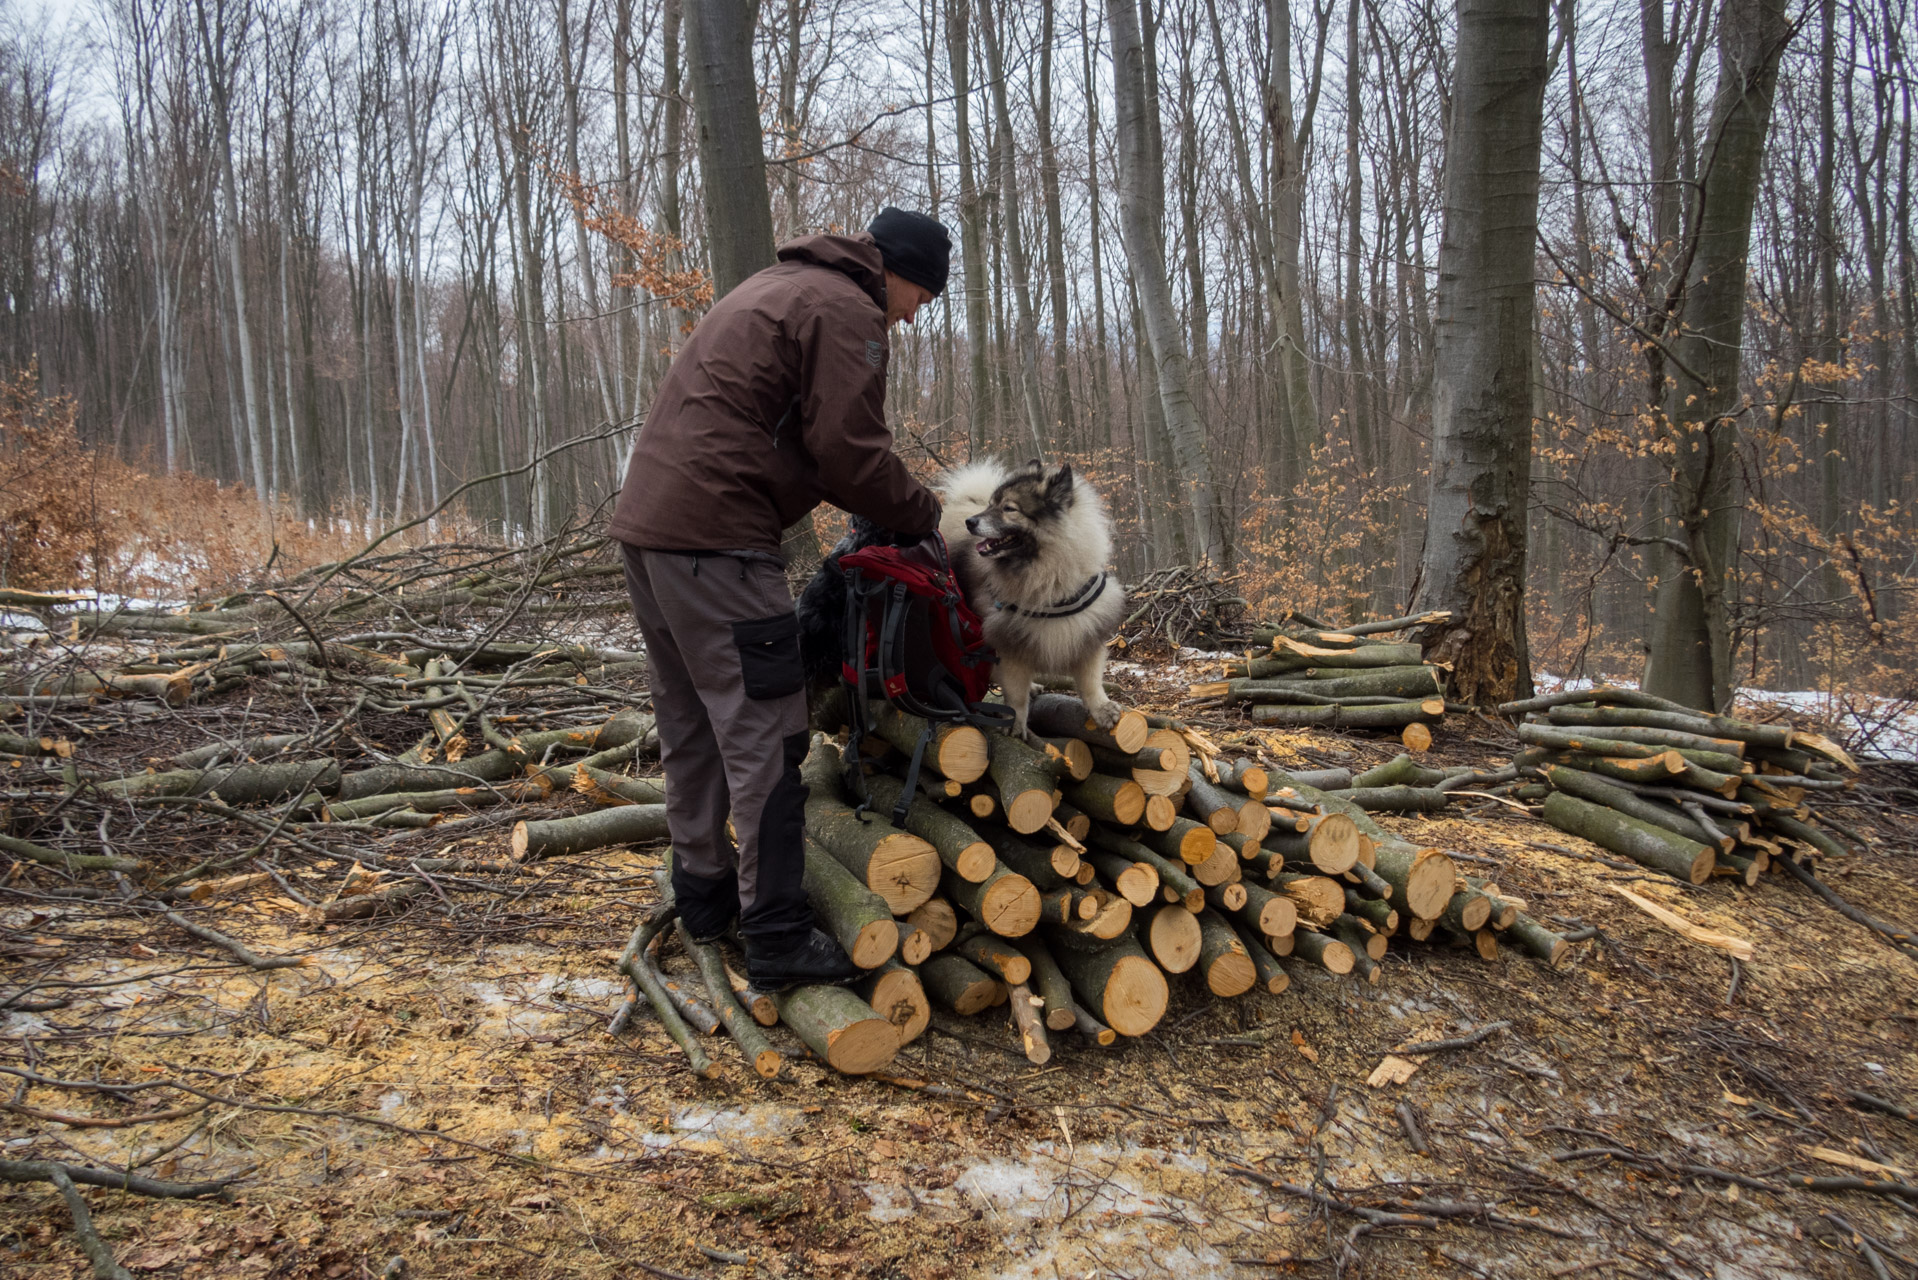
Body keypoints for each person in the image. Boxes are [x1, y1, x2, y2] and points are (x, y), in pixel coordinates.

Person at [608, 208, 950, 989]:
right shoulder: (845, 309)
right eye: (920, 296)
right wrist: (924, 517)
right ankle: (777, 936)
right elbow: (851, 454)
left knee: (692, 718)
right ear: (895, 271)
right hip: (717, 538)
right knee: (768, 735)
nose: (913, 313)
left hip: (651, 530)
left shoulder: (779, 284)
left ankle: (704, 897)